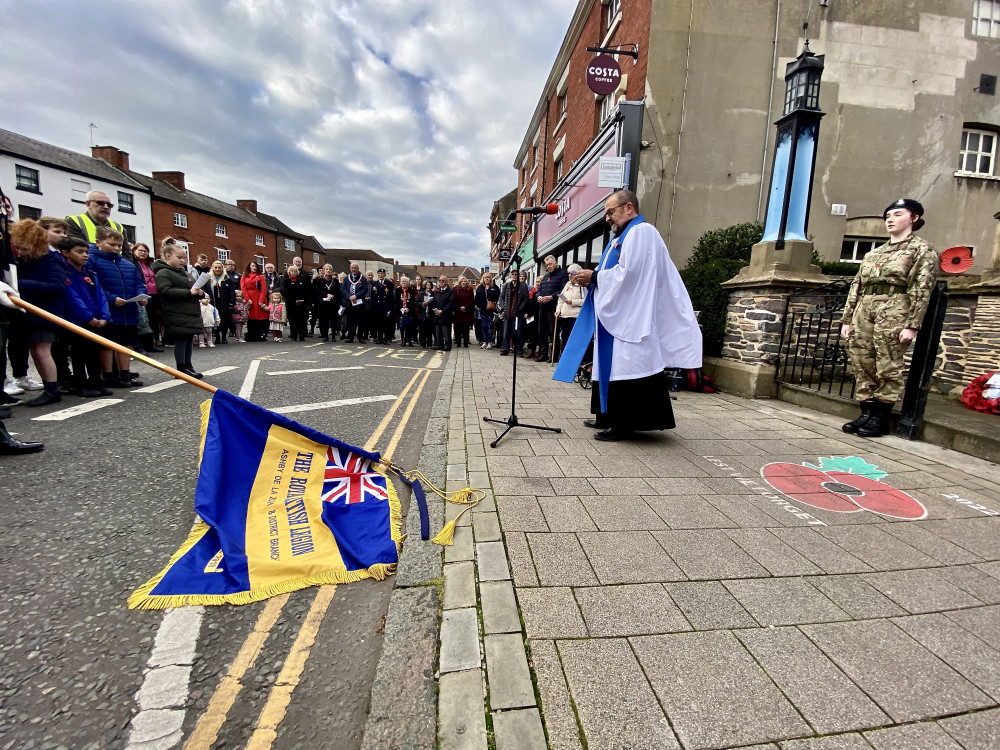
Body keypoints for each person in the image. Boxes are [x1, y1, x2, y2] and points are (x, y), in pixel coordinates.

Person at [558, 189, 702, 441]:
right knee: (608, 368)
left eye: (610, 212)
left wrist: (595, 277)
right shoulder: (623, 236)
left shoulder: (641, 232)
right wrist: (595, 278)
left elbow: (631, 275)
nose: (607, 218)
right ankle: (606, 415)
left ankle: (622, 424)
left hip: (631, 319)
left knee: (625, 368)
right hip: (618, 316)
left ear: (628, 208)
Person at [840, 198, 939, 437]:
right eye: (888, 216)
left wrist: (913, 324)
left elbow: (922, 287)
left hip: (895, 309)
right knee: (862, 360)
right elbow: (857, 285)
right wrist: (847, 319)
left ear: (914, 218)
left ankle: (881, 418)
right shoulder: (875, 253)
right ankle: (866, 413)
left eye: (897, 214)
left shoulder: (921, 249)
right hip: (865, 309)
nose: (890, 219)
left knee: (888, 362)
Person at [10, 219, 68, 406]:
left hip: (47, 312)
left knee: (42, 351)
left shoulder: (52, 261)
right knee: (36, 351)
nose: (20, 252)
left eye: (24, 248)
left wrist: (20, 285)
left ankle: (52, 389)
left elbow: (57, 287)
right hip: (31, 313)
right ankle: (49, 387)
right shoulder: (27, 262)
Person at [86, 226, 147, 388]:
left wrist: (142, 296)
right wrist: (112, 299)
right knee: (108, 345)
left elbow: (138, 283)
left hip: (129, 311)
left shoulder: (127, 264)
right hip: (109, 311)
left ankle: (125, 374)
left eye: (119, 245)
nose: (117, 248)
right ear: (98, 242)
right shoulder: (93, 260)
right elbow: (93, 286)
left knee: (127, 344)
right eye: (112, 244)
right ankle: (108, 376)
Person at [59, 236, 112, 397]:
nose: (84, 255)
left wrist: (104, 315)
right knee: (79, 354)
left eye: (86, 252)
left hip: (97, 320)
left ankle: (96, 382)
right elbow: (71, 298)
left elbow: (100, 295)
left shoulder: (90, 274)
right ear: (66, 253)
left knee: (94, 353)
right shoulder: (65, 274)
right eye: (79, 251)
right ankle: (82, 384)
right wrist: (88, 317)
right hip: (79, 321)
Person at [154, 238, 204, 379]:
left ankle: (188, 365)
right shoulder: (163, 272)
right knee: (181, 340)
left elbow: (194, 288)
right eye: (180, 258)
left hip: (188, 311)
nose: (183, 261)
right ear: (168, 256)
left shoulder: (184, 272)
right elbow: (165, 291)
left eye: (185, 258)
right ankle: (181, 367)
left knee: (188, 339)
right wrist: (189, 293)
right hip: (176, 311)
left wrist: (200, 293)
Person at [65, 190, 132, 259]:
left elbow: (126, 254)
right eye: (100, 203)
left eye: (109, 205)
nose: (106, 207)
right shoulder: (74, 221)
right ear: (88, 204)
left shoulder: (118, 227)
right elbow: (76, 251)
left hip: (117, 267)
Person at [534, 255, 569, 362]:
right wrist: (538, 296)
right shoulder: (545, 277)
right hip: (542, 308)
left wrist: (551, 297)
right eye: (547, 265)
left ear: (555, 263)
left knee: (553, 332)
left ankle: (554, 356)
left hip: (553, 308)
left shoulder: (563, 274)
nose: (548, 266)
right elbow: (539, 290)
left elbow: (564, 291)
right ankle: (544, 354)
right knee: (541, 331)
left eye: (550, 264)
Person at [132, 243, 163, 352]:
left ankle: (150, 345)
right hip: (141, 294)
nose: (143, 253)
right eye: (140, 250)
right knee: (142, 320)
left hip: (153, 294)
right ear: (134, 251)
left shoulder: (150, 264)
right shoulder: (133, 263)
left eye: (145, 251)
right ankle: (139, 346)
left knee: (152, 319)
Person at [555, 263, 585, 361]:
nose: (570, 275)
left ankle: (574, 359)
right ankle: (564, 358)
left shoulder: (582, 287)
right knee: (564, 338)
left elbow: (585, 301)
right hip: (565, 315)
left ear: (577, 274)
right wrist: (558, 310)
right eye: (569, 273)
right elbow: (560, 299)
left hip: (575, 316)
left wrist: (572, 302)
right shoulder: (567, 285)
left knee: (574, 339)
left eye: (572, 273)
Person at [498, 271, 528, 356]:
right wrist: (504, 307)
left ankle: (518, 350)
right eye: (513, 274)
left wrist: (520, 308)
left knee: (518, 332)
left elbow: (526, 299)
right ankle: (505, 349)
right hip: (508, 313)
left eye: (516, 275)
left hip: (518, 314)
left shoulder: (523, 286)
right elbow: (501, 298)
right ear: (511, 275)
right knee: (506, 332)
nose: (514, 276)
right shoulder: (507, 286)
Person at [240, 261, 269, 342]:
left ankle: (260, 334)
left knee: (261, 317)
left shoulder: (261, 276)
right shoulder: (244, 276)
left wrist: (261, 300)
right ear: (249, 267)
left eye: (256, 266)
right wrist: (247, 299)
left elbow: (263, 289)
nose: (254, 267)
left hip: (259, 296)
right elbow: (243, 288)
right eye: (253, 266)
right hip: (250, 297)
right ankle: (251, 334)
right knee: (251, 316)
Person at [341, 263, 368, 343]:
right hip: (349, 303)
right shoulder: (347, 279)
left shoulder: (362, 278)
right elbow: (343, 289)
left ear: (358, 268)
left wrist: (356, 296)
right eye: (352, 268)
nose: (353, 270)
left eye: (355, 268)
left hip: (359, 303)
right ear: (350, 268)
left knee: (360, 321)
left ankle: (360, 337)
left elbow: (365, 289)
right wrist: (349, 296)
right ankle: (350, 337)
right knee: (350, 321)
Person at [282, 266, 309, 341]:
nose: (293, 273)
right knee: (293, 320)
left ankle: (302, 335)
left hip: (301, 304)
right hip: (291, 304)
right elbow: (285, 293)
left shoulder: (301, 281)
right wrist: (294, 301)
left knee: (302, 320)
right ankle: (294, 335)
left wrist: (303, 300)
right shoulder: (286, 281)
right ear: (289, 273)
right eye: (292, 271)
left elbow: (305, 292)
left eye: (295, 271)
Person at [314, 265, 340, 342]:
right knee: (324, 320)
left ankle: (333, 335)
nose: (328, 271)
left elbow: (338, 291)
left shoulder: (335, 281)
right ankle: (325, 335)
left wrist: (333, 295)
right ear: (324, 270)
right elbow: (318, 291)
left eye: (330, 269)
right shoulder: (320, 280)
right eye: (326, 269)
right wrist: (326, 295)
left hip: (333, 303)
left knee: (333, 320)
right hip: (323, 303)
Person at [475, 273, 500, 349]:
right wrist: (479, 307)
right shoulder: (480, 288)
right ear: (483, 278)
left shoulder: (495, 288)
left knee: (490, 327)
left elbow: (498, 297)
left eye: (488, 277)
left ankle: (490, 342)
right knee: (484, 327)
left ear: (491, 278)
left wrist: (495, 305)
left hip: (491, 311)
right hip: (482, 311)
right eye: (485, 277)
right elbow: (477, 299)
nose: (487, 279)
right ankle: (485, 341)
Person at [370, 268, 394, 344]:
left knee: (386, 324)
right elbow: (373, 296)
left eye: (382, 273)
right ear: (377, 274)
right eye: (379, 273)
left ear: (385, 274)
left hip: (385, 306)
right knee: (378, 324)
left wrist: (390, 308)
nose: (381, 275)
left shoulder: (389, 283)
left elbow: (390, 296)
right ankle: (379, 338)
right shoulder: (375, 283)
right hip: (377, 307)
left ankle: (386, 339)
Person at [431, 275, 454, 351]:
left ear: (447, 282)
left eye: (443, 280)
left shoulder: (450, 292)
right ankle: (439, 344)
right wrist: (435, 310)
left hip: (445, 315)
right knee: (438, 331)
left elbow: (451, 303)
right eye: (440, 280)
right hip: (437, 314)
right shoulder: (437, 291)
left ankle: (447, 345)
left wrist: (443, 311)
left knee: (446, 331)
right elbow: (433, 301)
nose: (441, 282)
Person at [452, 276, 474, 348]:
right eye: (462, 281)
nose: (463, 283)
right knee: (457, 328)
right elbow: (455, 299)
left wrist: (465, 307)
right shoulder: (456, 290)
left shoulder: (470, 290)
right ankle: (458, 342)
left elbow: (471, 300)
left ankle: (466, 343)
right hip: (458, 311)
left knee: (466, 328)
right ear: (460, 283)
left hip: (467, 312)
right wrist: (460, 307)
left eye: (465, 281)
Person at [395, 276, 417, 346]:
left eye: (405, 281)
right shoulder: (398, 290)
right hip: (401, 311)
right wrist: (401, 308)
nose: (404, 283)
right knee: (402, 326)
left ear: (408, 283)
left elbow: (413, 301)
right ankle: (403, 340)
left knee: (409, 326)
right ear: (400, 282)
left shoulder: (411, 291)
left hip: (410, 312)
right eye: (403, 281)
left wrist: (408, 308)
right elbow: (397, 301)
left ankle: (409, 340)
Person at [417, 280, 435, 348]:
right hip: (422, 314)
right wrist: (422, 304)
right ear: (425, 286)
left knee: (430, 330)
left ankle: (429, 344)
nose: (429, 286)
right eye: (427, 285)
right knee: (422, 330)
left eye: (430, 285)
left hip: (430, 314)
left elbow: (436, 303)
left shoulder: (434, 294)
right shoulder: (421, 294)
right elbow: (416, 303)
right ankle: (422, 344)